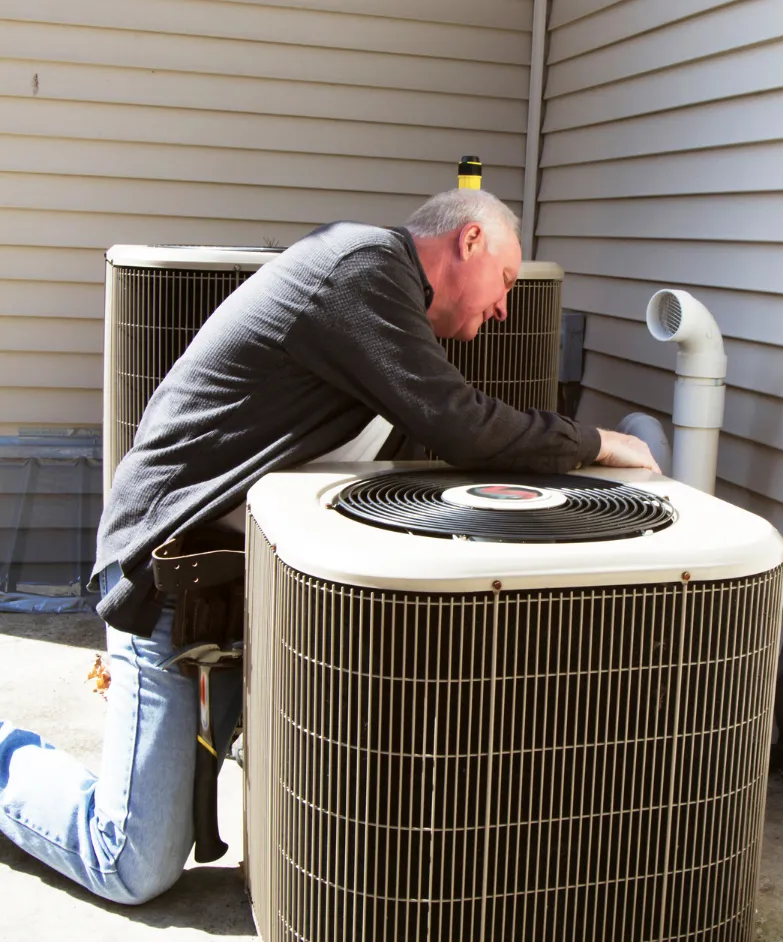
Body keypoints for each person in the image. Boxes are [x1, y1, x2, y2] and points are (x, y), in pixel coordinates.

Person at [0, 189, 667, 905]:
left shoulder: (388, 312)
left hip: (241, 585)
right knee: (130, 862)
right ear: (469, 242)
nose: (504, 309)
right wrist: (600, 442)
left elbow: (429, 467)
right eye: (506, 281)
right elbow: (461, 425)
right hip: (172, 572)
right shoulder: (362, 271)